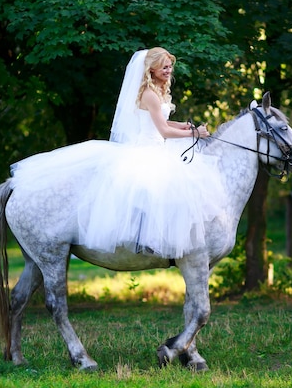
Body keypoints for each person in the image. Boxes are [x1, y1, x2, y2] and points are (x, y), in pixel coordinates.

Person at [76, 47, 228, 259]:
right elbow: (164, 131)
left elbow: (162, 122)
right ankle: (145, 239)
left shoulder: (157, 91)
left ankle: (170, 238)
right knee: (155, 188)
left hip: (157, 146)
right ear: (152, 69)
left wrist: (183, 125)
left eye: (170, 66)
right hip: (146, 149)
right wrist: (194, 133)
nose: (168, 70)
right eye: (164, 66)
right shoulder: (149, 95)